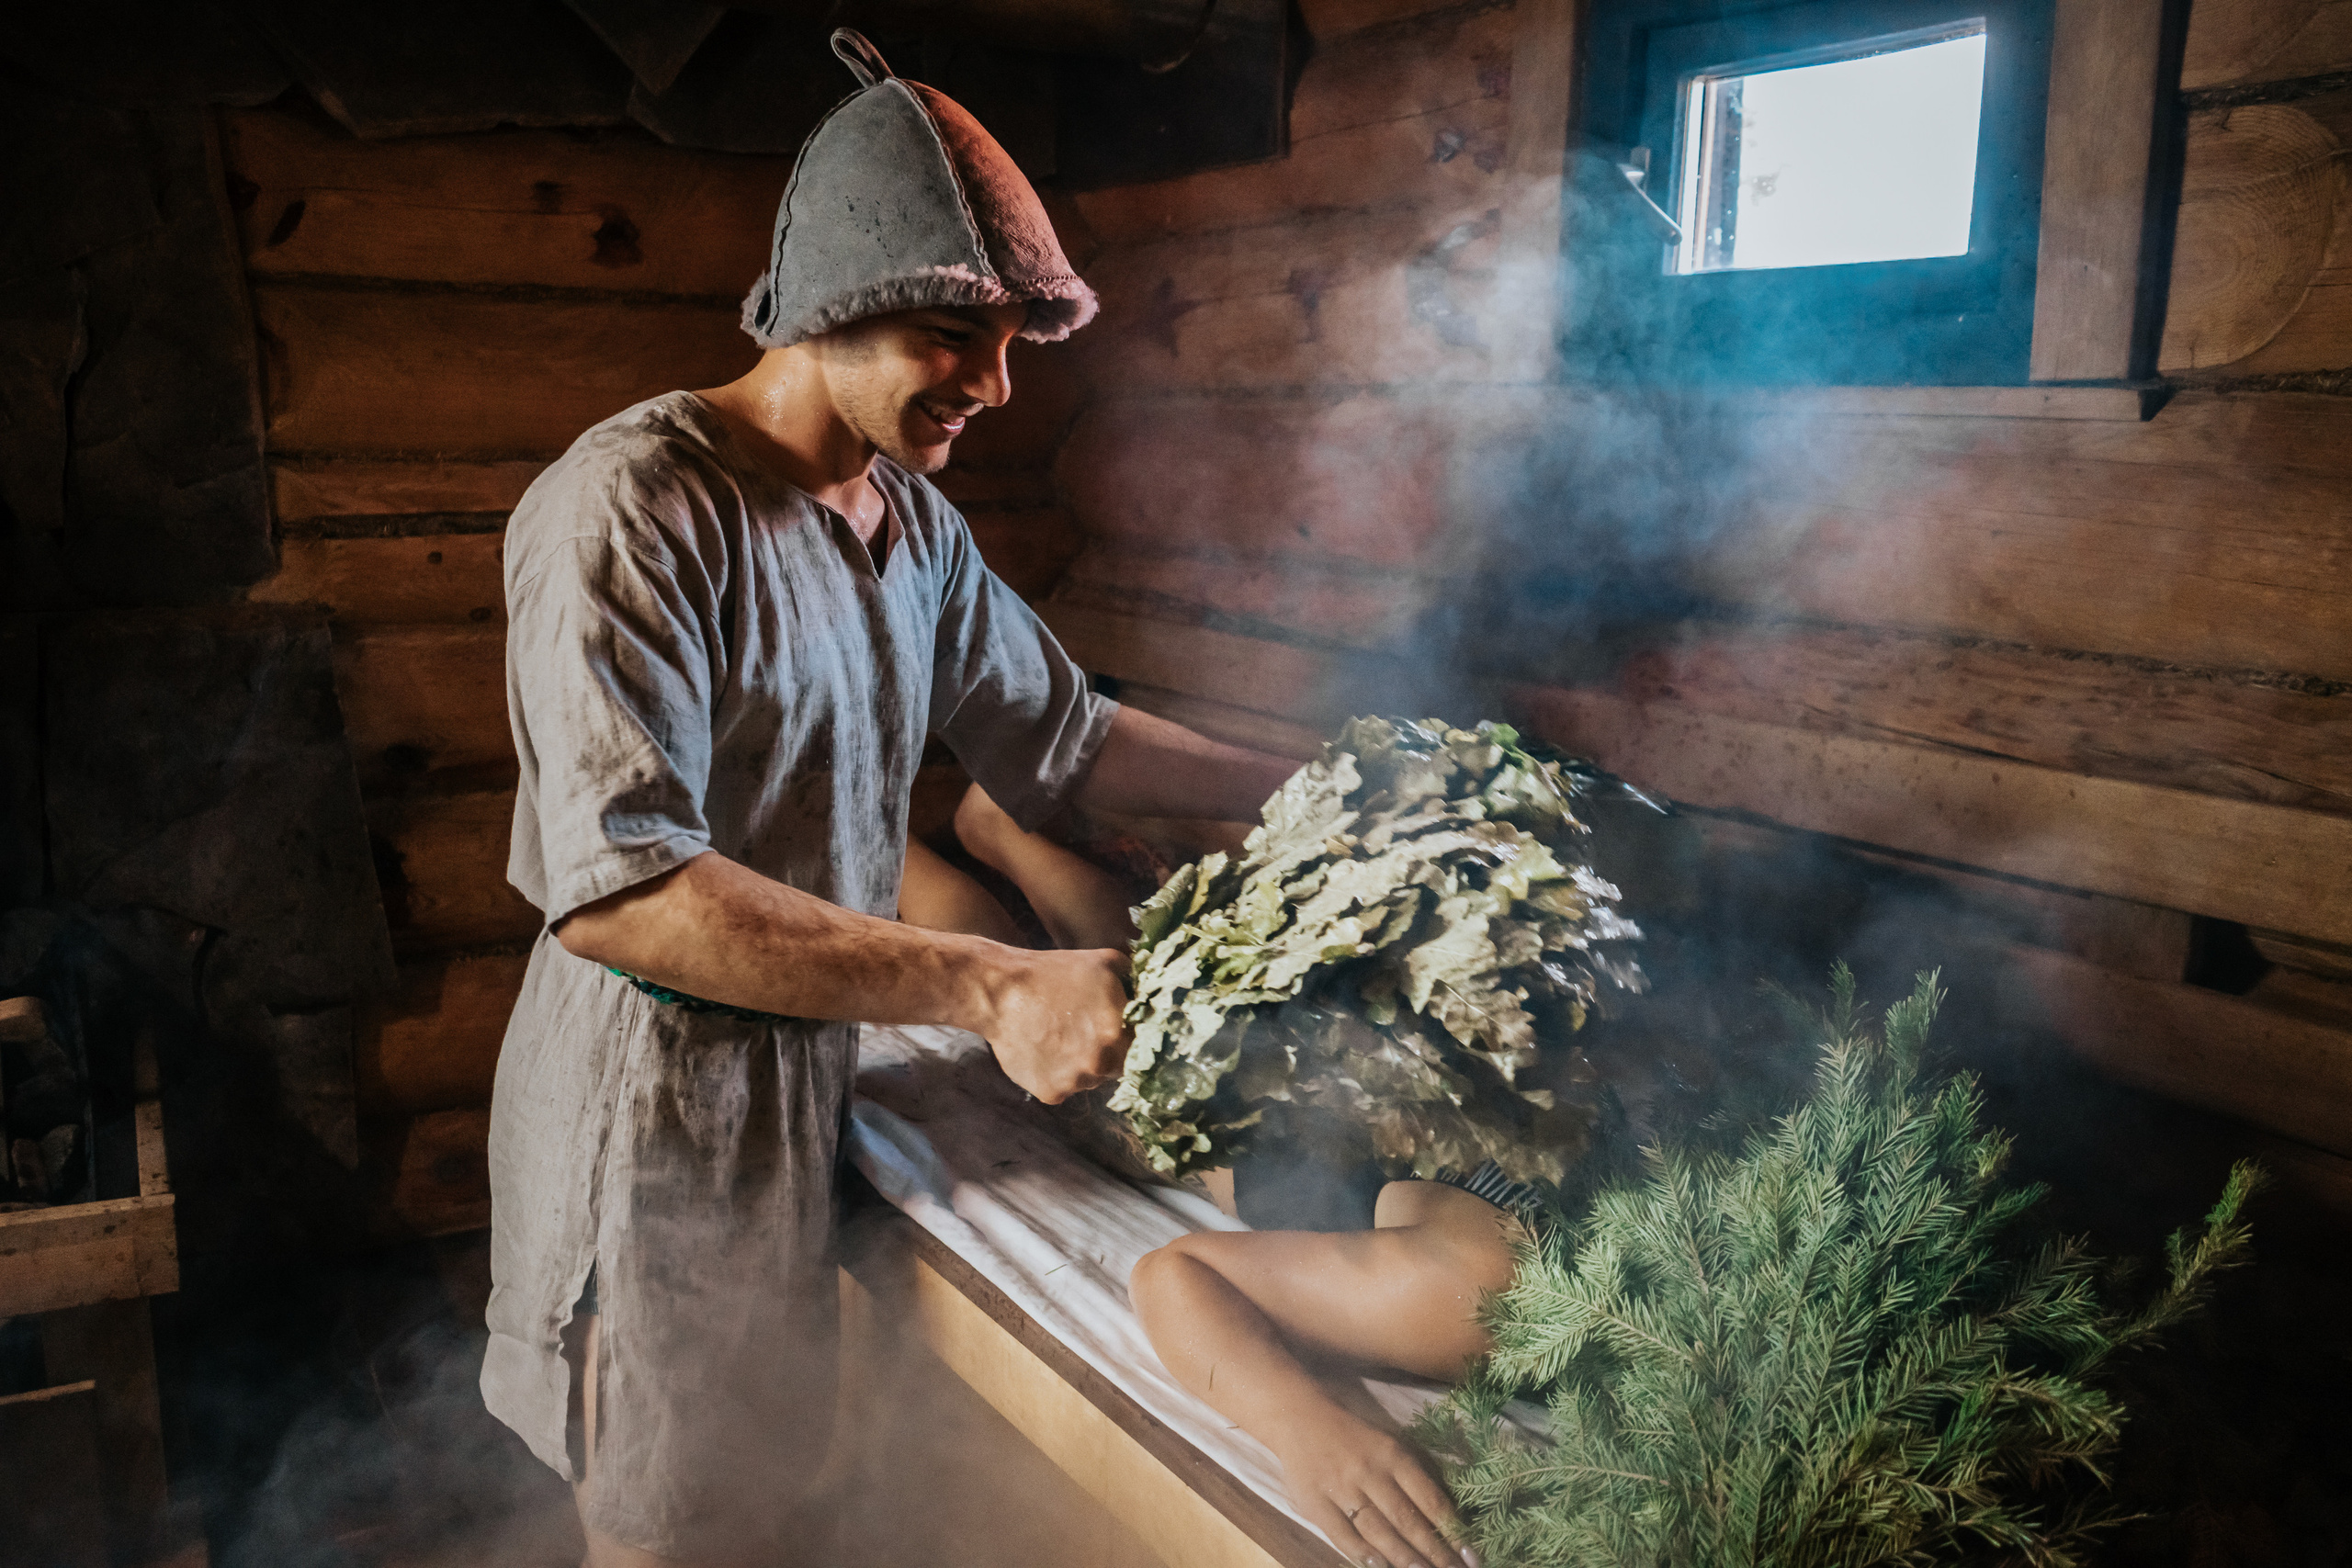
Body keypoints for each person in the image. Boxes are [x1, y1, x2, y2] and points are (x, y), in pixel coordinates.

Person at [479, 32, 1299, 1567]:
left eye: (1010, 343)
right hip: (656, 1112)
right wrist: (993, 980)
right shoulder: (633, 509)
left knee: (780, 1496)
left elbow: (1062, 737)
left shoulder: (909, 526)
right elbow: (623, 892)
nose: (994, 385)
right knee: (673, 1526)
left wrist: (1302, 781)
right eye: (952, 334)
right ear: (831, 312)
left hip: (809, 1077)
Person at [904, 787, 1521, 1568]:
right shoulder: (1490, 1295)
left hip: (1339, 1030)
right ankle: (893, 844)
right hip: (1266, 1098)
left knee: (1146, 971)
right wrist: (1309, 1429)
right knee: (1034, 1007)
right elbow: (1176, 1275)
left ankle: (995, 828)